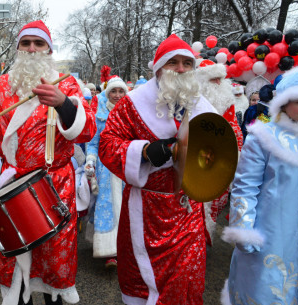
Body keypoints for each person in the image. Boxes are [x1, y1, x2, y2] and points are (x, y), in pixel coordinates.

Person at [0, 20, 96, 305]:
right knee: (15, 258)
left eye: (39, 43)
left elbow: (86, 132)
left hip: (55, 184)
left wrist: (63, 103)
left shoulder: (67, 84)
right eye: (26, 43)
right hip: (13, 185)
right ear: (18, 48)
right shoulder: (1, 86)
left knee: (54, 262)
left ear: (49, 48)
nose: (32, 49)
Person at [98, 34, 217, 304]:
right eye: (172, 62)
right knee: (144, 280)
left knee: (186, 277)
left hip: (188, 209)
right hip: (146, 209)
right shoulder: (132, 103)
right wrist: (142, 151)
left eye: (187, 63)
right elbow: (107, 144)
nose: (181, 69)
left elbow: (223, 145)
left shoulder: (201, 104)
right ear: (158, 67)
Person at [220, 66, 298, 305]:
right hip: (271, 236)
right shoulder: (263, 136)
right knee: (266, 292)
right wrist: (244, 229)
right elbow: (245, 187)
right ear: (283, 102)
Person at [195, 59, 244, 245]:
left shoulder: (227, 101)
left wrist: (236, 152)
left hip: (221, 159)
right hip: (195, 159)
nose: (217, 83)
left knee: (217, 200)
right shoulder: (191, 100)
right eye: (213, 79)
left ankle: (206, 237)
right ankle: (194, 240)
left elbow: (234, 129)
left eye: (219, 79)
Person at [85, 76, 127, 268]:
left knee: (127, 207)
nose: (117, 95)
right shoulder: (99, 115)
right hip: (105, 167)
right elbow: (92, 143)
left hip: (127, 166)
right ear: (107, 93)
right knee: (105, 205)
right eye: (113, 91)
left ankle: (127, 248)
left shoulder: (131, 113)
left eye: (121, 91)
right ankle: (108, 249)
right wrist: (91, 161)